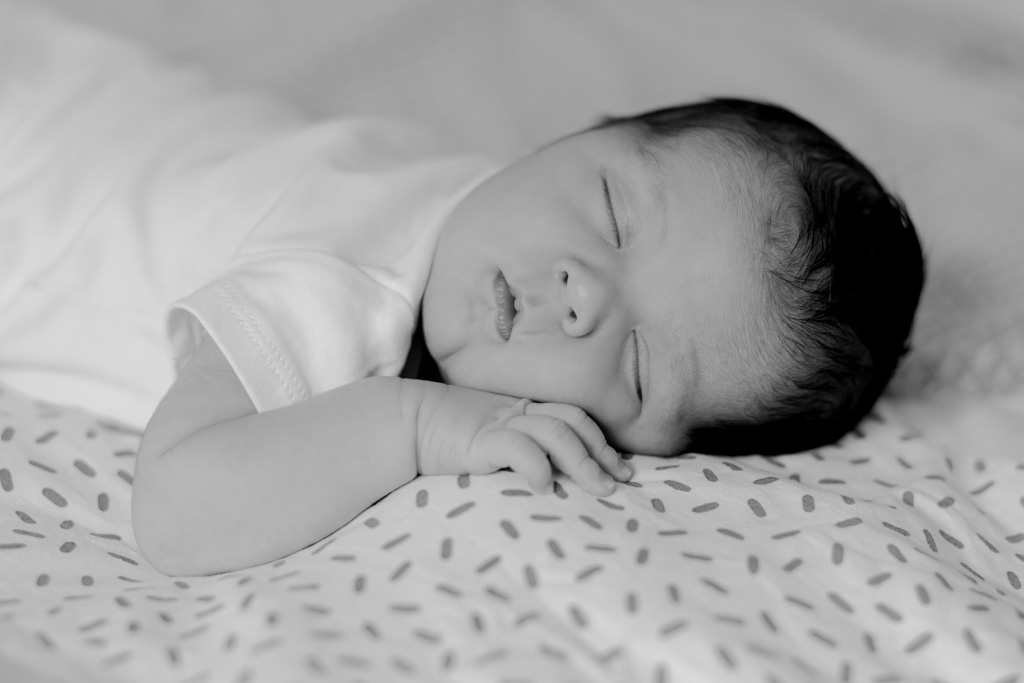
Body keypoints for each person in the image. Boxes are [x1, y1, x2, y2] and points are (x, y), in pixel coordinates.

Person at [0, 10, 923, 577]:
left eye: (639, 365)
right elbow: (177, 511)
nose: (582, 297)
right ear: (580, 133)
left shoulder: (473, 198)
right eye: (609, 211)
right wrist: (416, 427)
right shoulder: (345, 289)